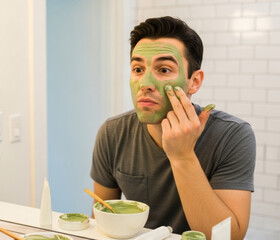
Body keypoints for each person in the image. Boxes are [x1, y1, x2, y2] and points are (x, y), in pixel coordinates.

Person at [90, 16, 255, 239]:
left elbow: (228, 237)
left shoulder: (233, 136)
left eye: (164, 70)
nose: (145, 84)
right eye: (138, 69)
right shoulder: (112, 133)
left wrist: (183, 156)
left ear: (194, 82)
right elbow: (100, 217)